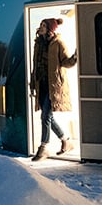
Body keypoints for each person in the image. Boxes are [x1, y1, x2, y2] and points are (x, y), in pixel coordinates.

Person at [30, 17, 78, 160]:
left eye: (44, 25)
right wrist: (33, 83)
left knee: (45, 116)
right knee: (48, 116)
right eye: (41, 24)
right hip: (42, 84)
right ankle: (66, 141)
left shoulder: (58, 43)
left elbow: (65, 62)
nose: (41, 27)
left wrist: (75, 58)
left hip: (54, 86)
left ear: (50, 28)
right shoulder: (38, 44)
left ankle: (44, 147)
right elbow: (35, 65)